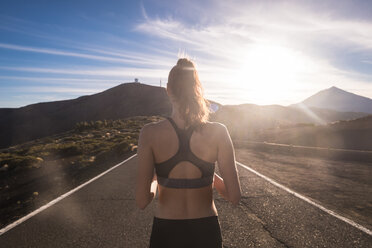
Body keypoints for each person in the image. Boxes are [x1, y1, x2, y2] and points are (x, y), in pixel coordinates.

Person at [136, 58, 241, 248]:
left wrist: (155, 180)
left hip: (166, 233)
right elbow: (234, 196)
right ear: (197, 89)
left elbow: (142, 200)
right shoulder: (218, 131)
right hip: (206, 232)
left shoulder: (149, 133)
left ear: (168, 90)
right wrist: (210, 177)